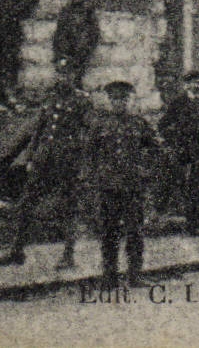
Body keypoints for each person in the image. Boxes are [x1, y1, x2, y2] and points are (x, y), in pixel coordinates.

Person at [0, 57, 91, 268]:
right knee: (26, 202)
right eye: (59, 73)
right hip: (43, 160)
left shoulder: (82, 101)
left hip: (66, 162)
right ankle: (16, 251)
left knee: (68, 207)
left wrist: (81, 163)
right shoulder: (50, 98)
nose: (63, 78)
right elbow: (39, 130)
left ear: (74, 75)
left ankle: (68, 255)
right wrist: (30, 157)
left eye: (67, 74)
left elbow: (88, 134)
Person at [83, 80, 158, 289]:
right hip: (108, 187)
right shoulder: (99, 125)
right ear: (109, 101)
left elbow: (154, 149)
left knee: (135, 232)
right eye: (115, 99)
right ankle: (110, 277)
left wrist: (145, 170)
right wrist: (94, 177)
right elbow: (89, 154)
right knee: (109, 232)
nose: (119, 103)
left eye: (123, 99)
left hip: (132, 186)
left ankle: (135, 275)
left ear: (129, 101)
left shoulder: (138, 123)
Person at [157, 70, 199, 236]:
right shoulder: (178, 103)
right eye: (193, 82)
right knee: (182, 186)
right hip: (183, 152)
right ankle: (181, 221)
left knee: (196, 188)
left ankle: (194, 225)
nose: (196, 85)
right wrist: (175, 139)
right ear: (186, 85)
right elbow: (163, 125)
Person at [50, 0, 101, 78]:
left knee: (77, 74)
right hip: (66, 50)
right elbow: (60, 32)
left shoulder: (88, 11)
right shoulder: (66, 11)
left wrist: (85, 47)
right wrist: (61, 50)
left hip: (81, 50)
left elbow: (93, 32)